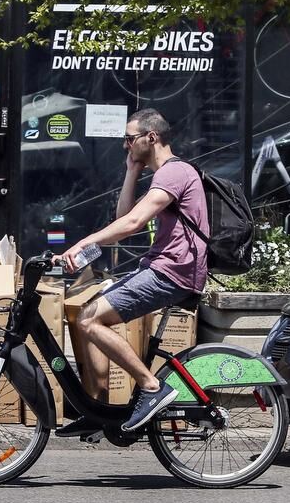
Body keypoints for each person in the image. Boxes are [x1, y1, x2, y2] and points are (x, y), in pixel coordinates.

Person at [55, 108, 209, 435]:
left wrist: (83, 244)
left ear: (150, 137)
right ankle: (96, 409)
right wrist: (131, 171)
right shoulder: (161, 174)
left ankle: (151, 387)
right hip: (161, 268)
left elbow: (133, 223)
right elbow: (124, 213)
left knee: (88, 319)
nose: (126, 145)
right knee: (85, 317)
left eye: (129, 139)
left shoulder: (174, 172)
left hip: (172, 273)